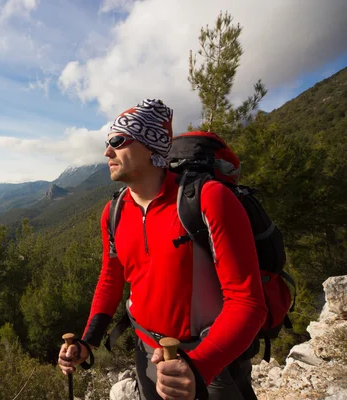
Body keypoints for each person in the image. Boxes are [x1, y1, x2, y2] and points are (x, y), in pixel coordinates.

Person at [58, 98, 267, 400]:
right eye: (107, 142)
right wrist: (87, 342)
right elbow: (110, 281)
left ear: (150, 145)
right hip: (146, 353)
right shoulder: (114, 211)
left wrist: (199, 367)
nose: (106, 151)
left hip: (212, 358)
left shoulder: (209, 199)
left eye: (117, 140)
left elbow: (248, 302)